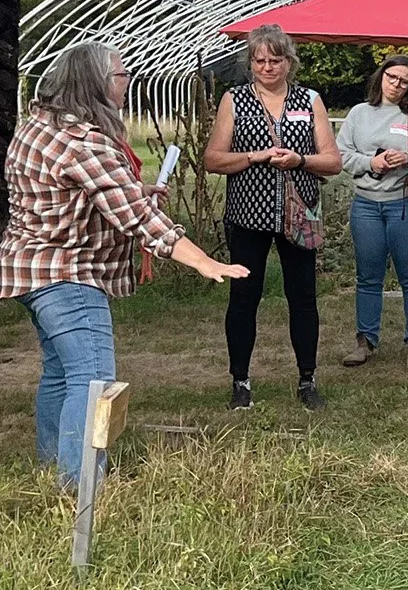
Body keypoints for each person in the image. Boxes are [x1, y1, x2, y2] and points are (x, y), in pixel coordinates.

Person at [3, 44, 247, 485]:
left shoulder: (37, 126)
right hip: (68, 276)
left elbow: (69, 197)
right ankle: (81, 485)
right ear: (95, 83)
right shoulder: (85, 143)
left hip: (29, 268)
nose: (127, 82)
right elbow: (141, 221)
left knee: (60, 370)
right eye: (120, 75)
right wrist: (204, 261)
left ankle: (52, 468)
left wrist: (135, 190)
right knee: (93, 379)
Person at [203, 23, 342, 411]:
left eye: (275, 60)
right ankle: (240, 381)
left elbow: (333, 161)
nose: (267, 67)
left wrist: (300, 160)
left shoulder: (309, 99)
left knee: (303, 298)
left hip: (299, 215)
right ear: (251, 63)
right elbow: (213, 158)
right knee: (244, 298)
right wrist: (253, 156)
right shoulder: (235, 99)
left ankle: (307, 378)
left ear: (288, 62)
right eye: (260, 60)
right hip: (249, 215)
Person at [335, 53, 408, 372]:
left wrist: (407, 157)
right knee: (368, 276)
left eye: (403, 81)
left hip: (406, 205)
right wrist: (372, 163)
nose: (396, 85)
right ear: (380, 77)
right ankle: (365, 340)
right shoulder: (358, 113)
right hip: (366, 204)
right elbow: (340, 156)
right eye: (391, 77)